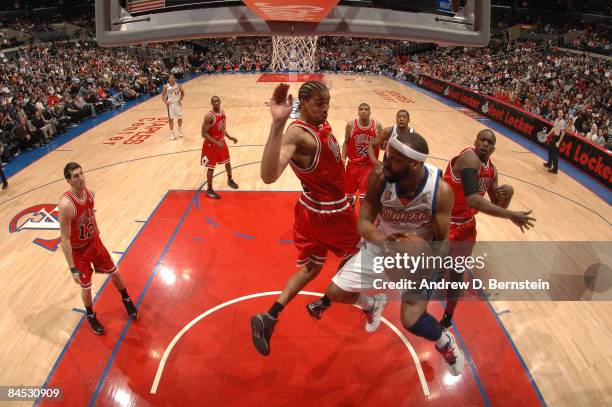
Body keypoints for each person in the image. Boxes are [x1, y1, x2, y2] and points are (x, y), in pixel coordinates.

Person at [307, 131, 466, 376]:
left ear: (415, 164)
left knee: (412, 321)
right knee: (335, 293)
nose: (386, 161)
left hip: (418, 257)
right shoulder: (380, 177)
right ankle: (371, 305)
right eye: (388, 154)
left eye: (395, 159)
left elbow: (443, 242)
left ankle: (444, 341)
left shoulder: (440, 191)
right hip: (382, 244)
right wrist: (386, 242)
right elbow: (363, 223)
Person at [250, 81, 361, 356]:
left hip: (311, 211)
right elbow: (269, 174)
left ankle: (270, 316)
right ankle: (330, 302)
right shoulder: (299, 134)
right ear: (303, 103)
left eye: (327, 102)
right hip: (331, 214)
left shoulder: (319, 125)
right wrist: (277, 126)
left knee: (312, 268)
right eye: (319, 103)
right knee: (364, 259)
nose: (325, 107)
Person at [440, 129, 536, 328]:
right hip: (443, 220)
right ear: (475, 141)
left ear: (494, 148)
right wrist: (511, 216)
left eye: (489, 142)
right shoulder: (469, 158)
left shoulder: (492, 171)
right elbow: (473, 199)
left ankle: (447, 318)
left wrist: (507, 195)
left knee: (457, 274)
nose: (485, 143)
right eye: (482, 139)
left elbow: (497, 207)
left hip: (465, 226)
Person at [58, 162, 138, 335]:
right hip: (78, 251)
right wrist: (72, 269)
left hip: (94, 242)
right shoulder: (66, 205)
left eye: (81, 174)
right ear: (68, 181)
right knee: (86, 287)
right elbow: (64, 239)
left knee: (115, 272)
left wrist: (96, 228)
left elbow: (90, 213)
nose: (81, 178)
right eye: (76, 176)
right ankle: (91, 315)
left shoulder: (90, 193)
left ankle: (126, 298)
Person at [342, 103, 382, 205]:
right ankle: (351, 201)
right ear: (358, 112)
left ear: (370, 112)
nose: (363, 111)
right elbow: (346, 143)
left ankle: (361, 220)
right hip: (353, 165)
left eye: (366, 109)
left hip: (368, 167)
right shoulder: (351, 125)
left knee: (364, 200)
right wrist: (343, 159)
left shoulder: (376, 126)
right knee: (346, 198)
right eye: (361, 109)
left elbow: (382, 145)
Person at [201, 96, 239, 199]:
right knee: (211, 168)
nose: (216, 103)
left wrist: (230, 137)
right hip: (211, 145)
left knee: (228, 162)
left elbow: (222, 128)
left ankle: (230, 179)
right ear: (211, 103)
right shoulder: (209, 117)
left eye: (217, 101)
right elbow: (203, 134)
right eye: (214, 102)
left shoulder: (222, 112)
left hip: (221, 142)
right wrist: (216, 143)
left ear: (220, 102)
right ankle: (209, 189)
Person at [161, 74, 185, 140]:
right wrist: (166, 103)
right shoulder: (166, 86)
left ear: (174, 79)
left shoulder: (178, 85)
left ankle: (180, 130)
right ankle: (172, 133)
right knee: (171, 119)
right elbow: (162, 96)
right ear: (168, 79)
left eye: (172, 78)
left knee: (179, 117)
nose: (171, 79)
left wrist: (181, 98)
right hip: (170, 105)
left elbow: (182, 92)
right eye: (170, 78)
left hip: (177, 103)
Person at [543, 109, 566, 174]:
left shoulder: (563, 122)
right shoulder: (556, 120)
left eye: (561, 113)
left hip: (558, 138)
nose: (559, 113)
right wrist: (548, 134)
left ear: (563, 114)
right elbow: (553, 128)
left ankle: (555, 169)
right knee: (550, 151)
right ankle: (549, 164)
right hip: (554, 137)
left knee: (555, 154)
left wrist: (558, 142)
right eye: (558, 112)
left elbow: (563, 133)